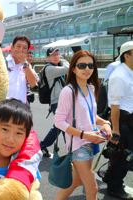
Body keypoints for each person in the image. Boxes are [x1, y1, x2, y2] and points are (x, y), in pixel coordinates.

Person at [54, 50, 112, 200]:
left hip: (92, 142)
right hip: (78, 145)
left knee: (75, 181)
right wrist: (85, 135)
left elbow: (92, 117)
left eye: (90, 65)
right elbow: (59, 121)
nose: (87, 69)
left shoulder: (91, 87)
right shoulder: (68, 91)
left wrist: (105, 123)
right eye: (82, 65)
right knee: (92, 189)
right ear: (73, 68)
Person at [105, 41, 133, 199]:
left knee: (124, 155)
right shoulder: (120, 75)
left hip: (130, 121)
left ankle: (111, 178)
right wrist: (115, 130)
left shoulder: (130, 71)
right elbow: (114, 106)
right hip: (122, 122)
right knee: (125, 156)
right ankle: (114, 187)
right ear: (127, 56)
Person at [39, 47, 69, 157]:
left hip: (62, 101)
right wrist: (63, 60)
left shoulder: (56, 67)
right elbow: (68, 68)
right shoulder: (49, 69)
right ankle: (70, 151)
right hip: (57, 102)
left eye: (58, 54)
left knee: (60, 125)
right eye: (53, 55)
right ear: (48, 57)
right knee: (65, 125)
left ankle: (42, 146)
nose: (56, 57)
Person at [6, 36, 37, 104]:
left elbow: (33, 84)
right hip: (4, 107)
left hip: (22, 108)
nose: (21, 50)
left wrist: (24, 63)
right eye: (18, 46)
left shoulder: (27, 65)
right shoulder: (3, 62)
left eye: (24, 48)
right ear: (12, 48)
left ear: (27, 51)